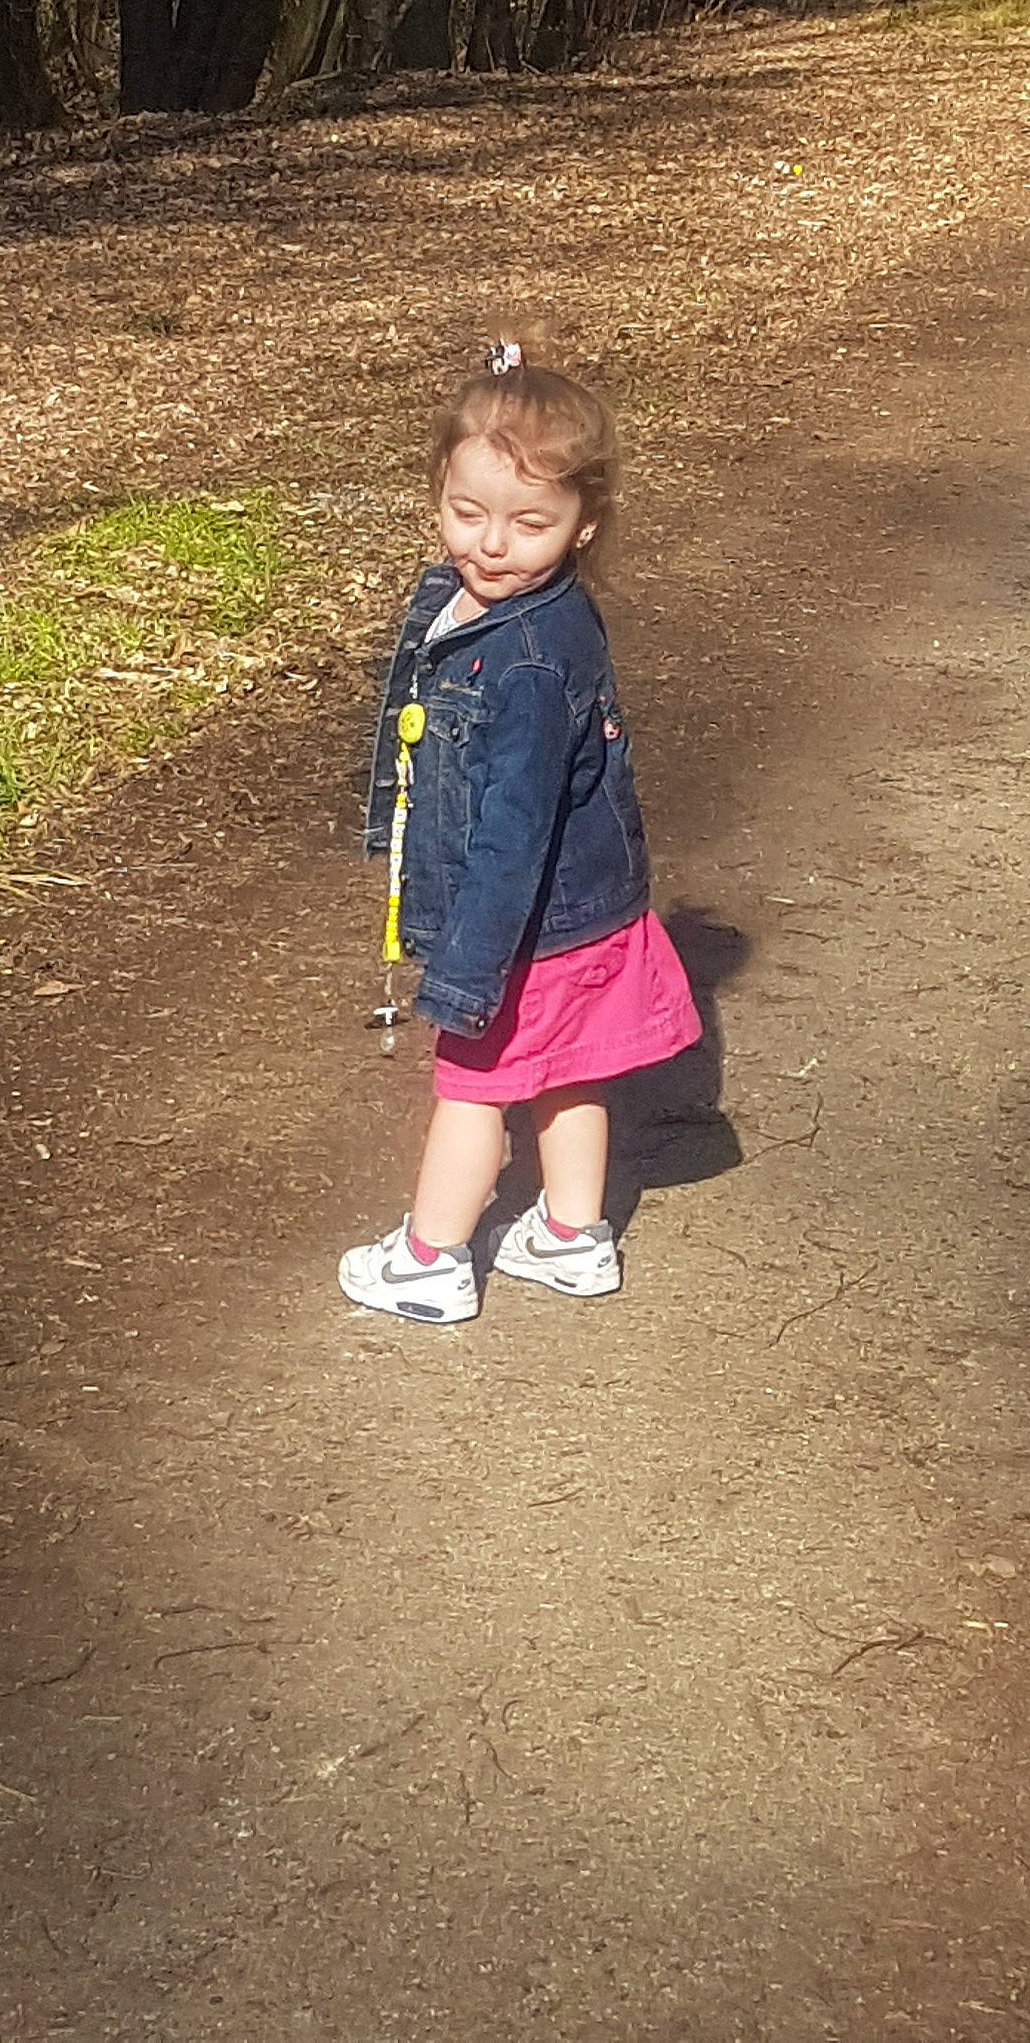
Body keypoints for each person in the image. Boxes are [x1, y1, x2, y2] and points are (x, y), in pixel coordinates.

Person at [338, 334, 701, 1323]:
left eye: (530, 522)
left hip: (525, 931)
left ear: (585, 524)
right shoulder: (514, 610)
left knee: (474, 1087)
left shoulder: (530, 661)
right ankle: (575, 1234)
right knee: (571, 1067)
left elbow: (513, 834)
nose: (491, 544)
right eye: (467, 512)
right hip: (589, 917)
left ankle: (431, 1255)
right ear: (437, 496)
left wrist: (466, 970)